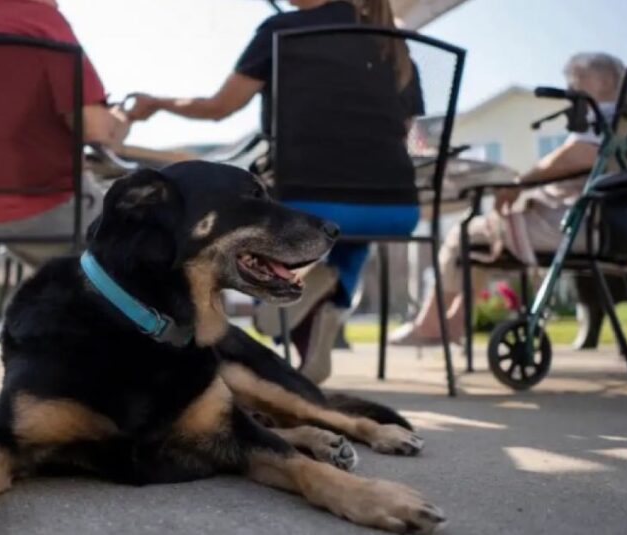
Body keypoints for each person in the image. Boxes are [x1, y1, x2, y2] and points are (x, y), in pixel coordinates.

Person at [127, 0, 422, 384]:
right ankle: (334, 294)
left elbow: (220, 106)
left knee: (280, 260)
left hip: (309, 200)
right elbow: (403, 131)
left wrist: (157, 103)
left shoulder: (282, 30)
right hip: (398, 207)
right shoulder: (393, 43)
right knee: (347, 223)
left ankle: (297, 294)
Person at [390, 52, 626, 345]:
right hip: (598, 221)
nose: (570, 90)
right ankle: (452, 323)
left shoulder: (601, 115)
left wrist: (520, 183)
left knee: (462, 235)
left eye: (577, 81)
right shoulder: (626, 119)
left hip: (570, 224)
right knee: (476, 247)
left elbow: (579, 154)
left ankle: (428, 326)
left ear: (603, 80)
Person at [0, 0, 131, 267]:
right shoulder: (40, 21)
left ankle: (38, 303)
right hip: (36, 208)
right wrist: (123, 118)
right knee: (138, 242)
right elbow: (97, 130)